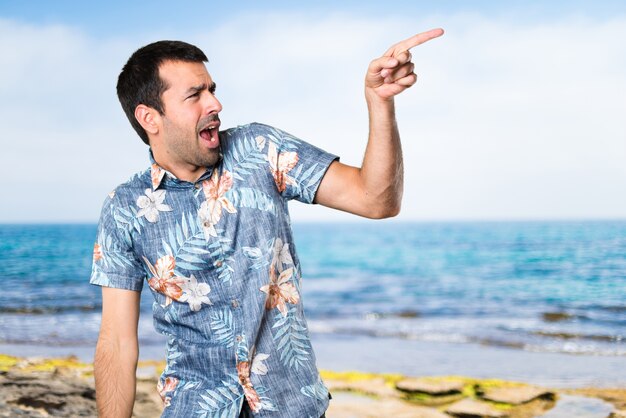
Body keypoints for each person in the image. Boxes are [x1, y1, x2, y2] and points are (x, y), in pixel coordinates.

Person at [91, 28, 444, 418]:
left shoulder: (260, 150)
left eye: (211, 89)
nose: (216, 103)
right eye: (195, 95)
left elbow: (377, 200)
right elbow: (117, 343)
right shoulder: (124, 208)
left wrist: (379, 103)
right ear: (149, 118)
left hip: (292, 406)